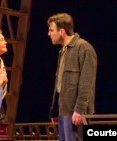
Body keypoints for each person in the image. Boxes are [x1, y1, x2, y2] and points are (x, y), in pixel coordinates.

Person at [47, 13, 97, 141]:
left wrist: (79, 110)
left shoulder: (84, 49)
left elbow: (87, 83)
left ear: (62, 31)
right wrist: (55, 109)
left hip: (75, 112)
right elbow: (60, 84)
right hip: (63, 110)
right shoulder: (63, 50)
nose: (49, 34)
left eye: (51, 30)